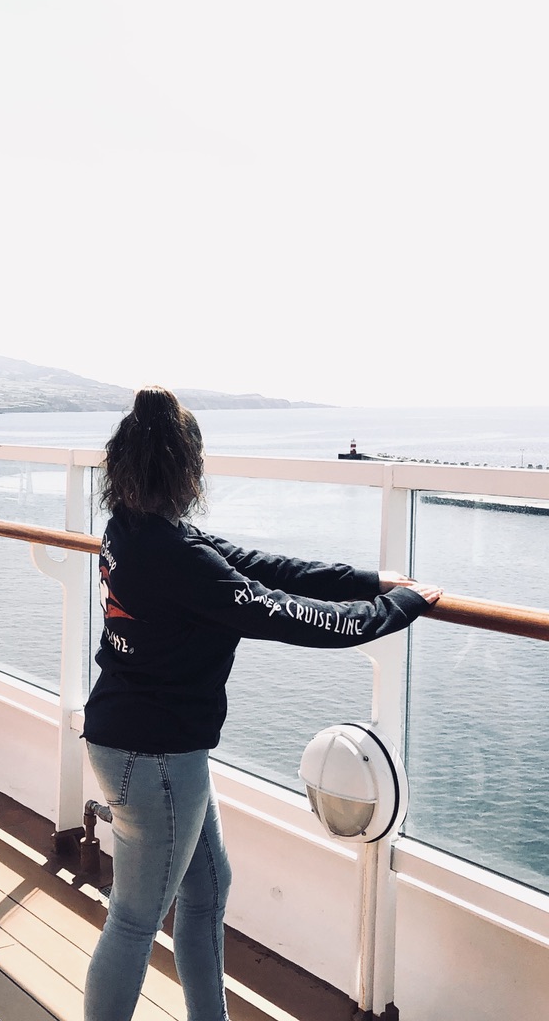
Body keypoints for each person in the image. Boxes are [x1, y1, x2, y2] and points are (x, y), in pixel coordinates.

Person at [82, 386, 442, 1021]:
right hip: (158, 756)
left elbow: (256, 567)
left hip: (137, 741)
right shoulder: (178, 557)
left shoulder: (131, 533)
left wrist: (369, 581)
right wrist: (394, 611)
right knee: (135, 920)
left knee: (208, 887)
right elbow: (286, 615)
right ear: (185, 468)